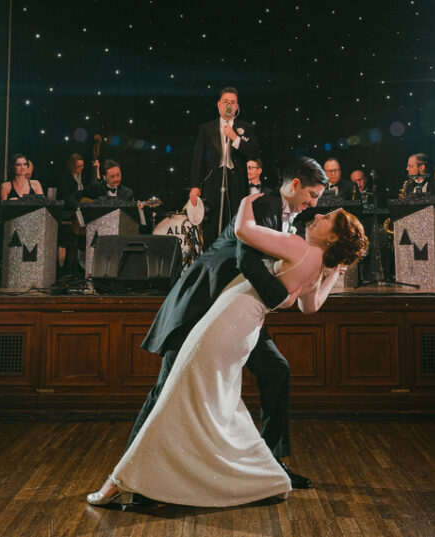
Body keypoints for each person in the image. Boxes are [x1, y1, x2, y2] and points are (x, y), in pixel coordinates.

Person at [87, 185, 368, 508]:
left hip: (224, 323)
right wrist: (335, 271)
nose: (318, 212)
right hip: (243, 331)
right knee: (213, 402)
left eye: (328, 216)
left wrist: (247, 200)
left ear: (333, 237)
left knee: (179, 396)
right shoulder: (318, 265)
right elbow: (311, 307)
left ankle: (121, 482)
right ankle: (255, 473)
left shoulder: (297, 246)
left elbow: (242, 231)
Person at [124, 157, 328, 497]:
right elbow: (245, 260)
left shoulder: (283, 218)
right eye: (312, 194)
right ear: (294, 185)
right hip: (201, 304)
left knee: (276, 369)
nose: (314, 203)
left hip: (233, 311)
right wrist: (280, 298)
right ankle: (133, 476)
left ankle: (272, 463)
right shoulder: (262, 205)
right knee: (166, 387)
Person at [189, 87, 258, 248]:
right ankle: (211, 264)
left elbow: (253, 152)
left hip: (237, 181)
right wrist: (194, 185)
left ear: (237, 106)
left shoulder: (246, 128)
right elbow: (197, 159)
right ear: (219, 105)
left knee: (235, 223)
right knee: (212, 225)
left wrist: (234, 137)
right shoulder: (206, 129)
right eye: (225, 102)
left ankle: (233, 264)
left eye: (232, 102)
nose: (229, 105)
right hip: (213, 180)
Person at [64, 159, 133, 205]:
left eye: (118, 175)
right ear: (104, 177)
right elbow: (69, 198)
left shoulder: (128, 193)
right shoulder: (96, 188)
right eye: (112, 176)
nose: (116, 179)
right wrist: (80, 208)